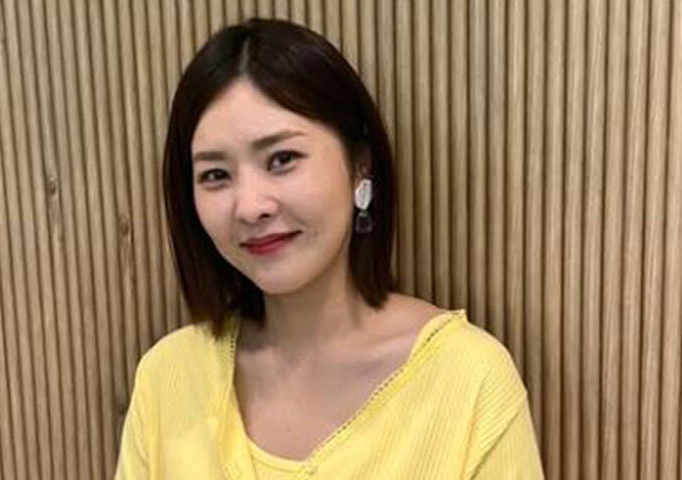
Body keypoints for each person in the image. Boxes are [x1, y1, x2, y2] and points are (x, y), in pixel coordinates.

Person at [114, 17, 544, 480]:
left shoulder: (469, 383)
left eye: (282, 159)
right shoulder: (168, 377)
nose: (250, 206)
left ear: (360, 165)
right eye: (216, 175)